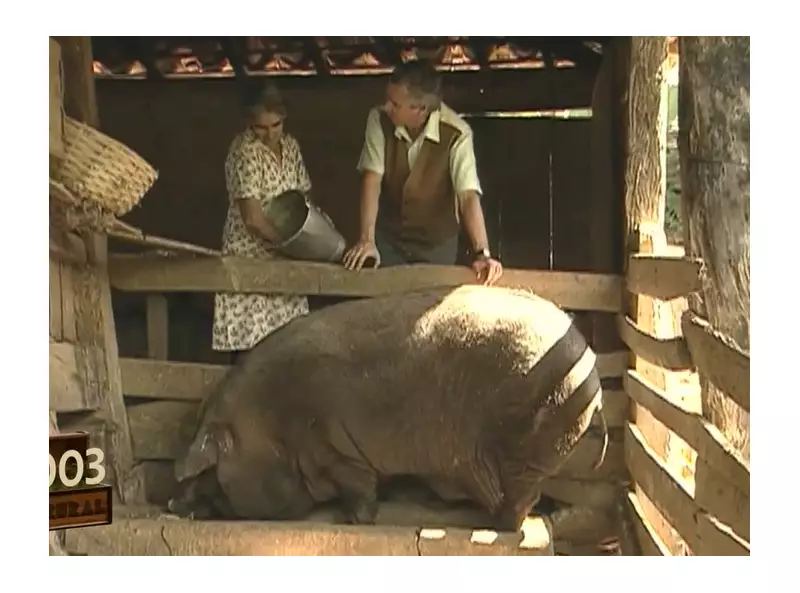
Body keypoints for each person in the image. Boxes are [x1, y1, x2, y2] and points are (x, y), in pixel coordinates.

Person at [342, 59, 503, 286]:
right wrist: (367, 240)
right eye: (388, 99)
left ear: (421, 109)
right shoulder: (378, 119)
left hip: (436, 245)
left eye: (395, 104)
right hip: (389, 240)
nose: (387, 107)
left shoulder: (457, 134)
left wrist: (482, 253)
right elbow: (372, 179)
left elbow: (467, 196)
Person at [212, 82, 313, 364]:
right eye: (260, 127)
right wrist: (290, 245)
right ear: (248, 123)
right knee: (251, 350)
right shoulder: (244, 151)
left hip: (285, 253)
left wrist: (309, 235)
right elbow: (253, 219)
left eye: (276, 125)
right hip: (250, 256)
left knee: (290, 345)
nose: (269, 134)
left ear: (285, 118)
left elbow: (303, 196)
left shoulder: (291, 147)